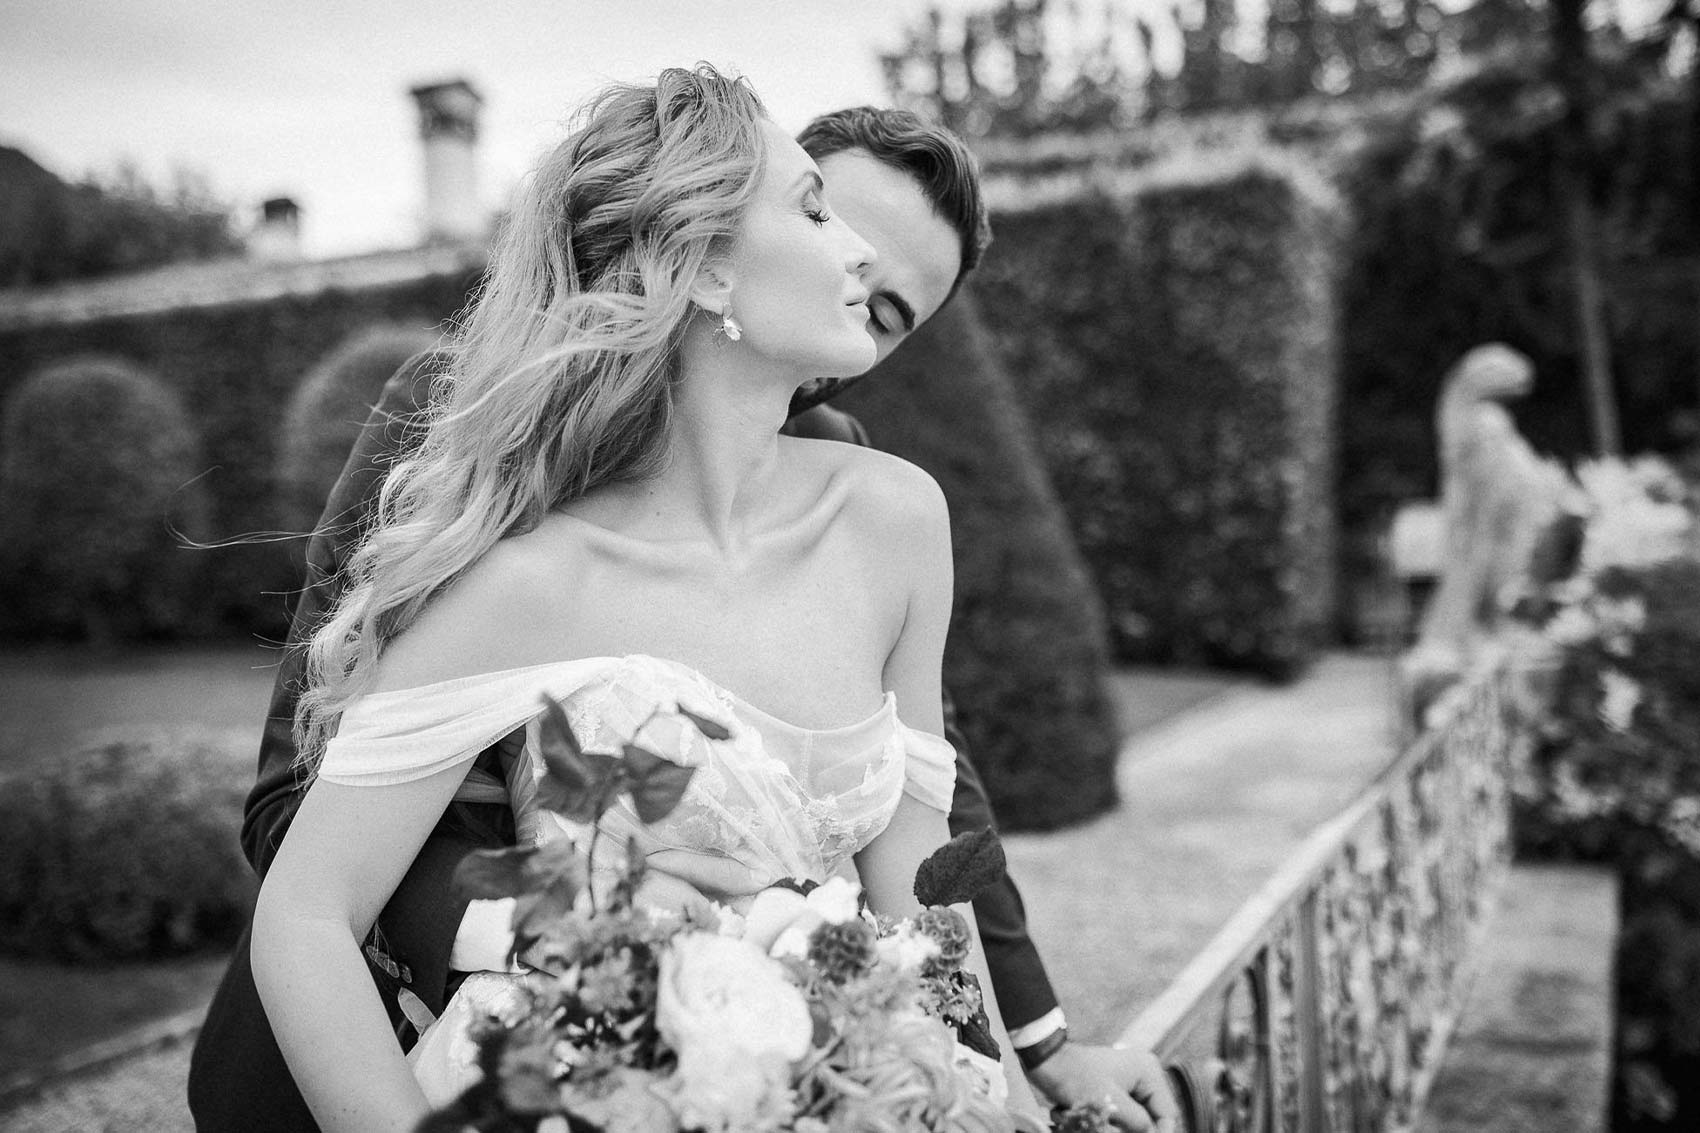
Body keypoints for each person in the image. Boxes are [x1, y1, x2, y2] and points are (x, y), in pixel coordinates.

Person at [190, 80, 1175, 1133]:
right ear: (701, 252)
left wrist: (1016, 1073)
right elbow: (298, 823)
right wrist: (595, 945)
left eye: (895, 310)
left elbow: (922, 830)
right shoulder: (487, 499)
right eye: (819, 210)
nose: (855, 263)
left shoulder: (885, 510)